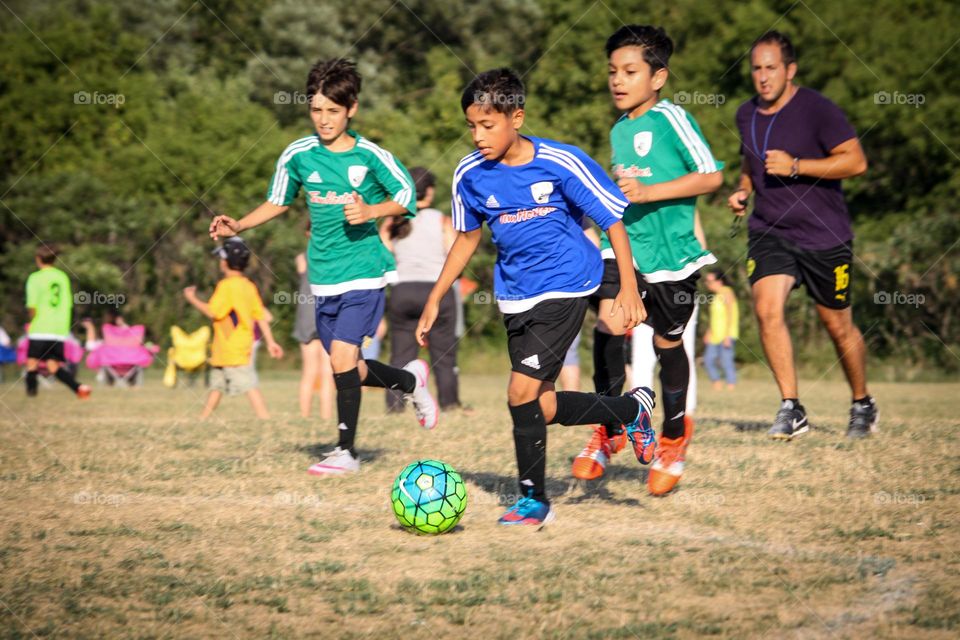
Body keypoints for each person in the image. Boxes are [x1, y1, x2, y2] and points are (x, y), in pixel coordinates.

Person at [417, 68, 656, 526]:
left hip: (569, 283)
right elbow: (466, 240)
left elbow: (612, 221)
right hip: (515, 295)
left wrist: (627, 286)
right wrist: (435, 296)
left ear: (517, 118)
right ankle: (632, 409)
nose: (478, 136)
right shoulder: (469, 175)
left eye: (488, 125)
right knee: (540, 405)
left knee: (518, 392)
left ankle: (533, 499)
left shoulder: (562, 161)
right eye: (471, 126)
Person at [208, 58, 438, 476]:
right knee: (346, 364)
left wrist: (370, 210)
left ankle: (346, 452)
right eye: (316, 110)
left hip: (365, 271)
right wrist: (238, 224)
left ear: (351, 108)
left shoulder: (370, 154)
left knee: (343, 358)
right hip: (323, 276)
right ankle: (410, 382)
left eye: (333, 110)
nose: (324, 119)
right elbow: (278, 202)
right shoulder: (298, 154)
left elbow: (407, 195)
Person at [572, 25, 723, 498]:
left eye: (630, 71)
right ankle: (610, 425)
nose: (618, 80)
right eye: (613, 71)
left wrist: (652, 191)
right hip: (626, 251)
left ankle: (674, 437)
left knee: (666, 343)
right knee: (608, 325)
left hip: (674, 259)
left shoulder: (672, 119)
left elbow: (712, 176)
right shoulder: (619, 130)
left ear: (658, 77)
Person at [728, 31, 875, 439]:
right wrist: (744, 189)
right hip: (770, 230)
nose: (762, 76)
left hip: (824, 235)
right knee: (766, 309)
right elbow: (750, 162)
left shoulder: (818, 110)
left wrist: (797, 166)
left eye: (771, 67)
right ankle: (792, 407)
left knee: (837, 326)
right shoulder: (746, 114)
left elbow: (856, 162)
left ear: (790, 70)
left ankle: (862, 402)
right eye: (756, 68)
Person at [381, 167, 462, 412]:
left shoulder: (393, 221)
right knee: (444, 354)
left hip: (402, 291)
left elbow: (385, 253)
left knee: (400, 354)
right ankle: (449, 403)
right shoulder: (442, 220)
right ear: (430, 191)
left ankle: (395, 406)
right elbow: (455, 256)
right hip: (437, 292)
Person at [183, 237, 283, 419]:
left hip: (231, 347)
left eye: (221, 258)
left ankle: (265, 418)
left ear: (225, 262)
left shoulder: (226, 286)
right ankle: (202, 419)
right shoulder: (248, 286)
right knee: (217, 386)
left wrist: (192, 299)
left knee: (249, 385)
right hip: (231, 347)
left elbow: (214, 312)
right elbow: (259, 316)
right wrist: (271, 342)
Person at [629, 210, 707, 430]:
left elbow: (696, 237)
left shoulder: (683, 202)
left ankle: (684, 417)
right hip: (647, 276)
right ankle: (638, 412)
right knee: (643, 356)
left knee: (681, 350)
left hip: (680, 279)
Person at [24, 244, 90, 399]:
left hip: (41, 326)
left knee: (32, 362)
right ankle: (79, 388)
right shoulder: (62, 277)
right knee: (53, 366)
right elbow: (68, 303)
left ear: (38, 259)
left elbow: (32, 305)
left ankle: (31, 393)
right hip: (59, 328)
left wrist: (32, 319)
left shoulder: (35, 278)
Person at [293, 223, 335, 420]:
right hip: (327, 313)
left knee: (311, 371)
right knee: (325, 371)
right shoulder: (334, 256)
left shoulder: (302, 258)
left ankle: (305, 416)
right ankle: (324, 417)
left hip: (308, 314)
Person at [703, 271, 739, 389]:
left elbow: (730, 314)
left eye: (710, 281)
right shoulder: (716, 297)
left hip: (726, 335)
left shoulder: (727, 292)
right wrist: (708, 332)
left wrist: (727, 335)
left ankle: (731, 385)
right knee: (708, 359)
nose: (707, 284)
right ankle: (716, 381)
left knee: (726, 361)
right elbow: (714, 317)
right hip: (714, 335)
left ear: (719, 281)